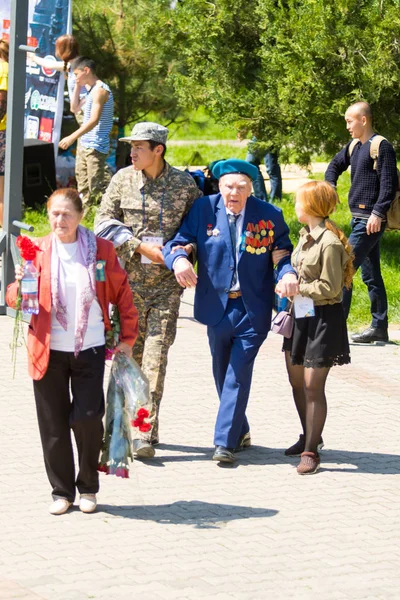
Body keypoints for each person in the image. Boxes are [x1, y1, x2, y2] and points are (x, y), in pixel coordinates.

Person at [6, 188, 138, 515]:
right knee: (52, 424)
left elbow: (123, 294)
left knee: (87, 418)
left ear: (80, 216)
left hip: (89, 348)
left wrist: (128, 338)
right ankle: (61, 492)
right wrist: (18, 285)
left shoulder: (100, 250)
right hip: (47, 350)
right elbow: (14, 300)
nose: (59, 220)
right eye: (54, 213)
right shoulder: (35, 249)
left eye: (66, 213)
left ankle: (89, 486)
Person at [163, 158, 297, 464]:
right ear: (219, 187)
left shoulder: (269, 215)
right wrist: (180, 260)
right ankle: (240, 429)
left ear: (251, 189)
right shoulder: (204, 209)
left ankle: (223, 443)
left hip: (252, 308)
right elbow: (180, 242)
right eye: (227, 186)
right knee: (222, 373)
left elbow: (282, 253)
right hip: (216, 308)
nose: (232, 193)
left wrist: (287, 273)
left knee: (237, 374)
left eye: (239, 187)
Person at [95, 121, 202, 458]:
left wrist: (183, 254)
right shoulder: (121, 180)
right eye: (132, 146)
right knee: (127, 358)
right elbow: (103, 223)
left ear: (159, 149)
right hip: (127, 286)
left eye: (139, 146)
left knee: (155, 358)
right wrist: (140, 247)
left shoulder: (185, 185)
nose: (133, 152)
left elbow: (198, 228)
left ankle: (144, 431)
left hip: (167, 289)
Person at [276, 181, 354, 475]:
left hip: (323, 320)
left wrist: (296, 288)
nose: (295, 206)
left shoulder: (330, 243)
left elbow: (331, 287)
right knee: (296, 382)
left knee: (312, 386)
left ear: (311, 206)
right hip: (301, 316)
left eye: (298, 201)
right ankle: (311, 434)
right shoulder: (305, 236)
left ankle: (311, 452)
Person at [325, 101, 398, 343]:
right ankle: (379, 328)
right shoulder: (354, 145)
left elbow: (388, 185)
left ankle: (335, 329)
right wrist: (330, 187)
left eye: (350, 121)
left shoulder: (381, 146)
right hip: (359, 219)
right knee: (371, 275)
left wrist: (378, 214)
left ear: (363, 120)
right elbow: (334, 165)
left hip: (370, 221)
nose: (347, 126)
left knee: (343, 269)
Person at [59, 57, 114, 212]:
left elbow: (94, 121)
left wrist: (71, 137)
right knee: (82, 183)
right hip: (85, 143)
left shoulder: (101, 91)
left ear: (86, 70)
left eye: (77, 74)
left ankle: (100, 217)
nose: (75, 78)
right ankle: (85, 216)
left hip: (95, 145)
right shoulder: (89, 91)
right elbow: (74, 108)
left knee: (95, 185)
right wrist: (77, 86)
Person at [27, 35, 87, 125]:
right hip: (82, 112)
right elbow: (50, 64)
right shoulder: (71, 65)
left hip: (85, 112)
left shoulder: (79, 67)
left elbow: (92, 90)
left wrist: (80, 106)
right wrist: (33, 57)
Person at [246, 137, 282, 202]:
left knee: (252, 164)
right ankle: (274, 199)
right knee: (272, 167)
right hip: (265, 133)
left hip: (264, 133)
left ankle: (264, 199)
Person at [0, 39, 9, 227]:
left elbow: (2, 102)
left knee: (0, 187)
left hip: (2, 132)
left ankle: (2, 228)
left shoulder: (4, 70)